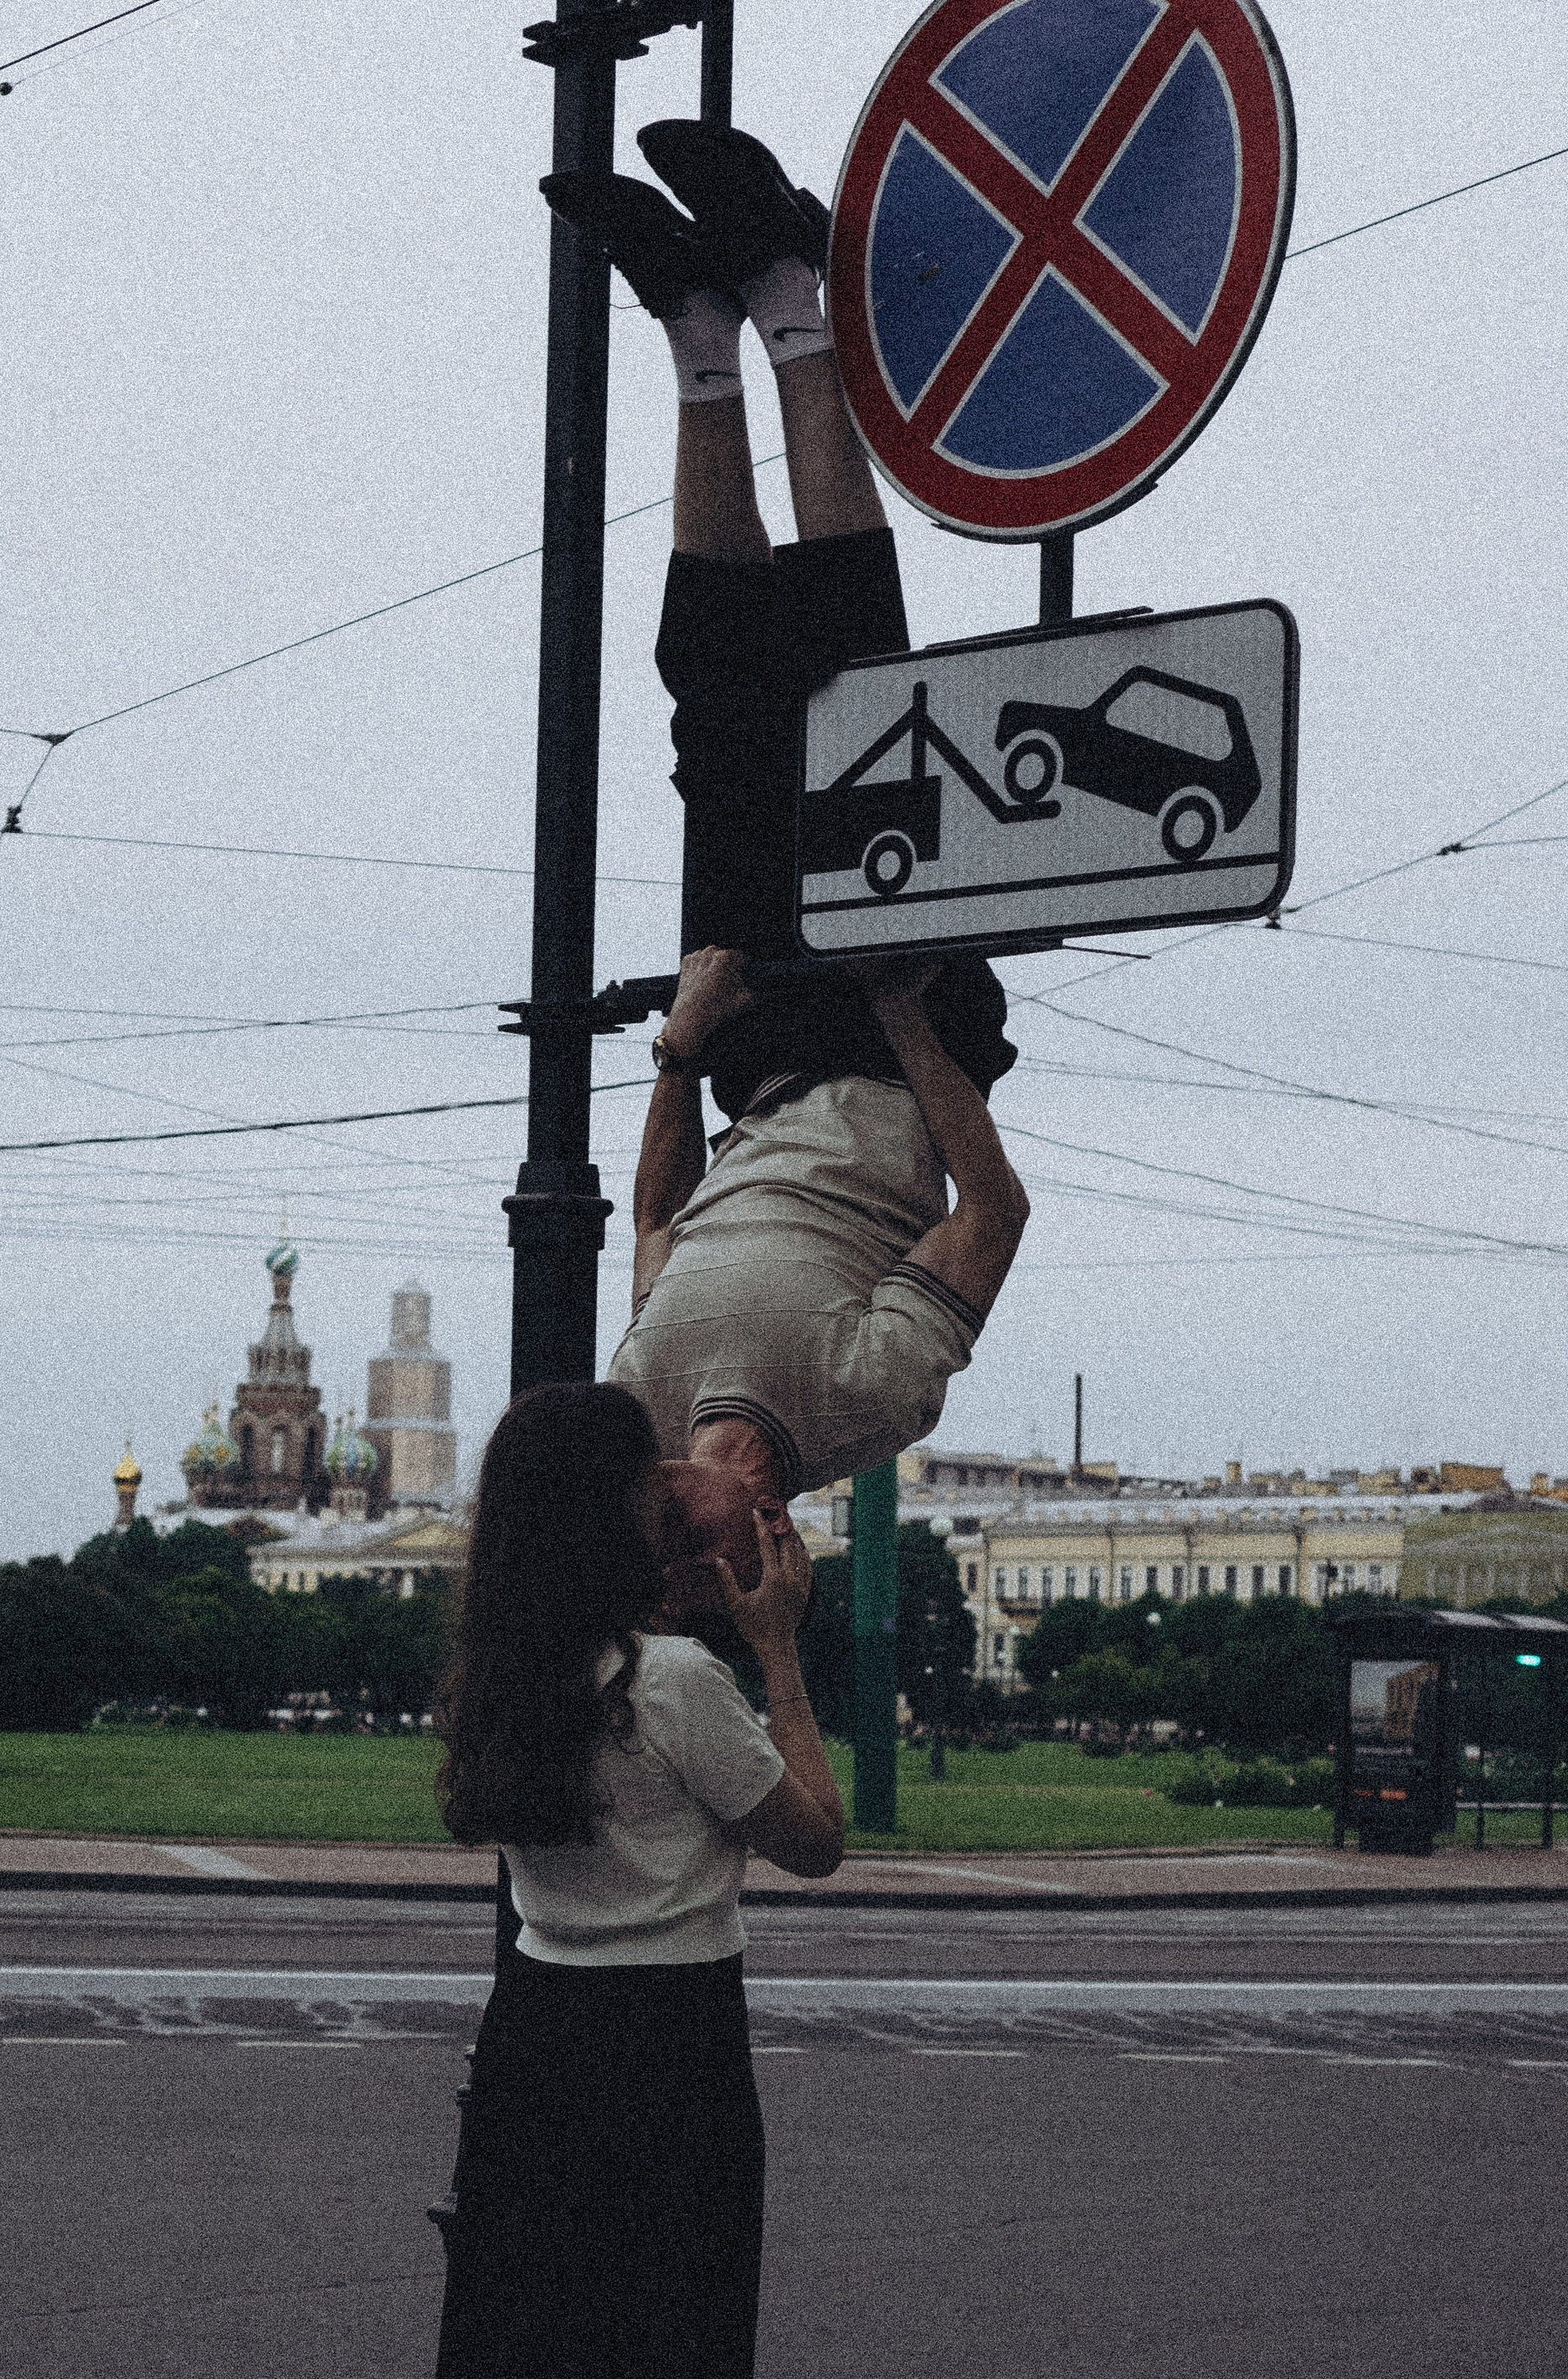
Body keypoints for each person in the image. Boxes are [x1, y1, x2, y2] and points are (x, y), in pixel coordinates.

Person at [544, 125, 1031, 1554]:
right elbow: (992, 1212)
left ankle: (698, 335)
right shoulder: (859, 1411)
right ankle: (793, 298)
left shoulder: (640, 1400)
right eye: (687, 1535)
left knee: (711, 690)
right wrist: (907, 1009)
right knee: (848, 675)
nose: (662, 1510)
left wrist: (679, 1054)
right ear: (759, 1521)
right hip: (893, 1049)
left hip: (746, 1053)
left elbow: (652, 1226)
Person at [413, 1380, 844, 2379]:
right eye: (653, 1461)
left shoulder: (500, 1685)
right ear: (611, 1511)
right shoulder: (670, 1683)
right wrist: (781, 1643)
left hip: (531, 2064)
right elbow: (815, 1833)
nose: (682, 1476)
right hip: (667, 2067)